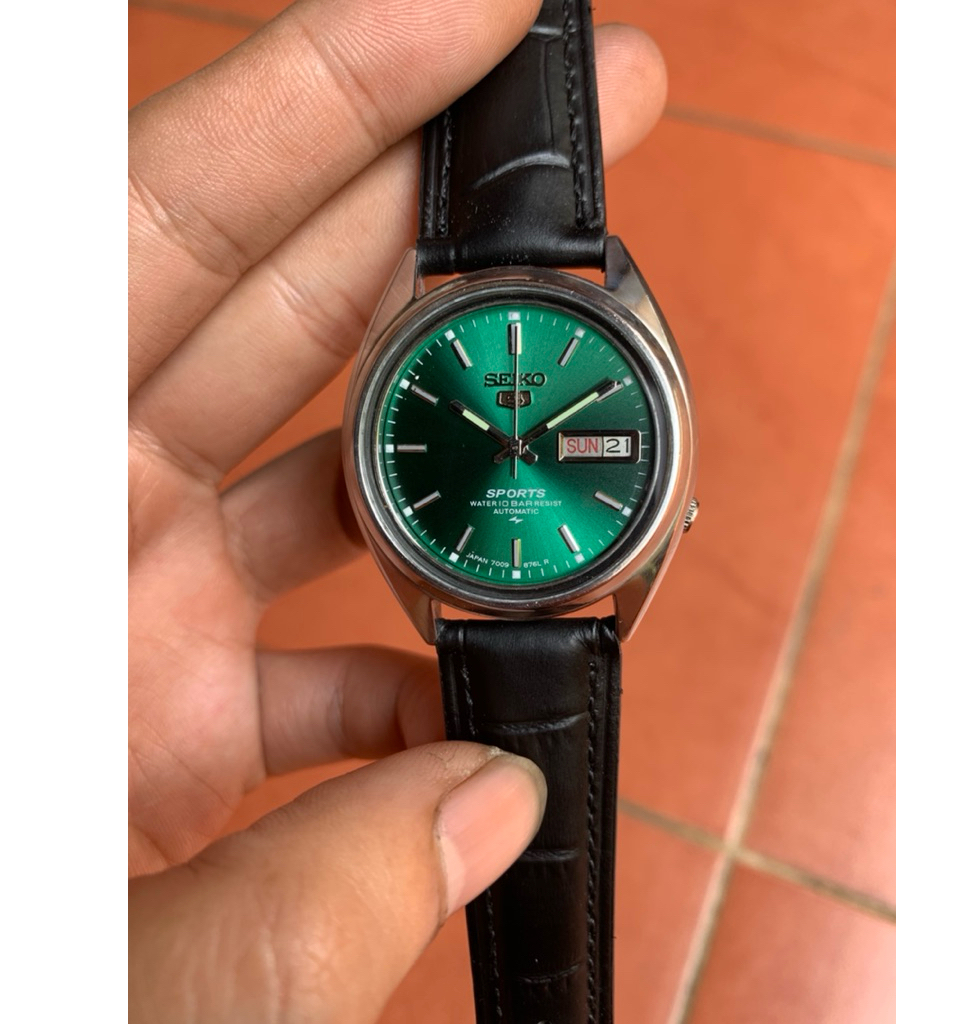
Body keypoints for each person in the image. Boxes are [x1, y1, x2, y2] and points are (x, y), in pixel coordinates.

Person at [128, 0, 667, 1019]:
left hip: (513, 556)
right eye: (498, 432)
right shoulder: (548, 373)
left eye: (536, 434)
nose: (517, 447)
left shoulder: (470, 342)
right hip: (510, 562)